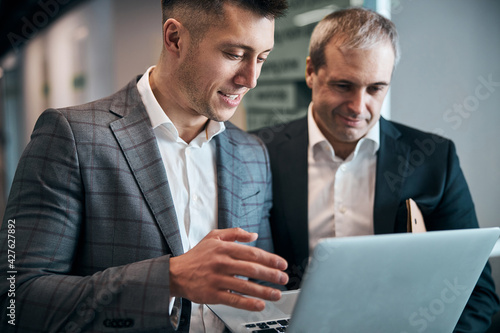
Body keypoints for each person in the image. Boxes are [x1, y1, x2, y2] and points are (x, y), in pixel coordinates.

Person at [0, 0, 289, 332]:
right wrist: (167, 279)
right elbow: (15, 299)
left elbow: (265, 291)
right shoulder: (71, 137)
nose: (251, 78)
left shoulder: (252, 153)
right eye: (234, 54)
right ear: (175, 38)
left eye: (263, 58)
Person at [254, 7, 500, 332]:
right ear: (311, 71)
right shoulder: (258, 152)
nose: (358, 107)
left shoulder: (434, 159)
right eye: (344, 86)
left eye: (375, 89)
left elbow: (476, 293)